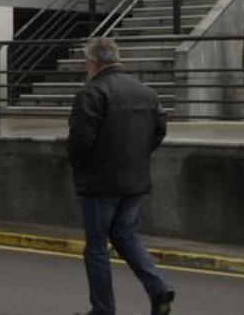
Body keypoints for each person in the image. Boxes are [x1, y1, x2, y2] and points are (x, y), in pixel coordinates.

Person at [67, 38, 174, 315]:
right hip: (134, 180)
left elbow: (79, 141)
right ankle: (158, 288)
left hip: (100, 183)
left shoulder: (91, 93)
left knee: (96, 248)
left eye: (86, 63)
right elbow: (159, 131)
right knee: (127, 236)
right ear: (117, 58)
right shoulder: (147, 92)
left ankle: (103, 310)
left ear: (92, 62)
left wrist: (81, 168)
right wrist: (137, 157)